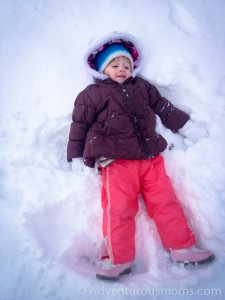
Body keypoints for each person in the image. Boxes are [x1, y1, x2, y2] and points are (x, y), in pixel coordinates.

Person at [67, 32, 215, 281]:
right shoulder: (92, 94)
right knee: (119, 210)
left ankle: (182, 248)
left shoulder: (143, 87)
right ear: (103, 69)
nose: (122, 69)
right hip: (117, 163)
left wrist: (187, 126)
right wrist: (77, 157)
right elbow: (78, 127)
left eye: (126, 64)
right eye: (115, 65)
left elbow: (164, 108)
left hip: (149, 159)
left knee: (165, 202)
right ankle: (119, 260)